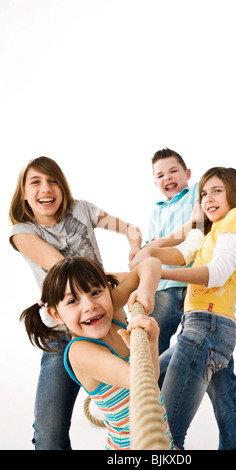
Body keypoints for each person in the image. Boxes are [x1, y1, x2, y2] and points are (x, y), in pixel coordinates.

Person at [9, 156, 142, 450]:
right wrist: (114, 279)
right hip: (65, 329)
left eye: (53, 180)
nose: (46, 188)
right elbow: (64, 270)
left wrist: (136, 253)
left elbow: (131, 230)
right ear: (23, 195)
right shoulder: (23, 232)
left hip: (104, 316)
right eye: (36, 182)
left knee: (144, 376)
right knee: (49, 436)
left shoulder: (82, 209)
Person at [130, 167, 236, 450]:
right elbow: (180, 254)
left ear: (234, 194)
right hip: (199, 327)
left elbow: (217, 272)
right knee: (222, 396)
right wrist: (149, 253)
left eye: (217, 191)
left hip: (209, 327)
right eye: (203, 193)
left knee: (168, 430)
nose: (208, 198)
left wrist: (159, 273)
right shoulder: (206, 232)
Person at [20, 256, 176, 450]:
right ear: (55, 315)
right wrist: (152, 343)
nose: (89, 305)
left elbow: (151, 263)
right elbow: (143, 380)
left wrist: (145, 292)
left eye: (95, 292)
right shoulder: (80, 352)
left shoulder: (112, 312)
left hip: (163, 441)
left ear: (109, 291)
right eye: (73, 301)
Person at [130, 148, 200, 354]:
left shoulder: (197, 193)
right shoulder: (156, 212)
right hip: (162, 288)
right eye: (160, 175)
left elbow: (198, 224)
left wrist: (157, 244)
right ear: (155, 182)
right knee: (153, 347)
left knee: (203, 344)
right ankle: (152, 387)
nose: (167, 178)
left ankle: (225, 388)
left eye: (173, 171)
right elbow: (150, 249)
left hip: (194, 284)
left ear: (187, 173)